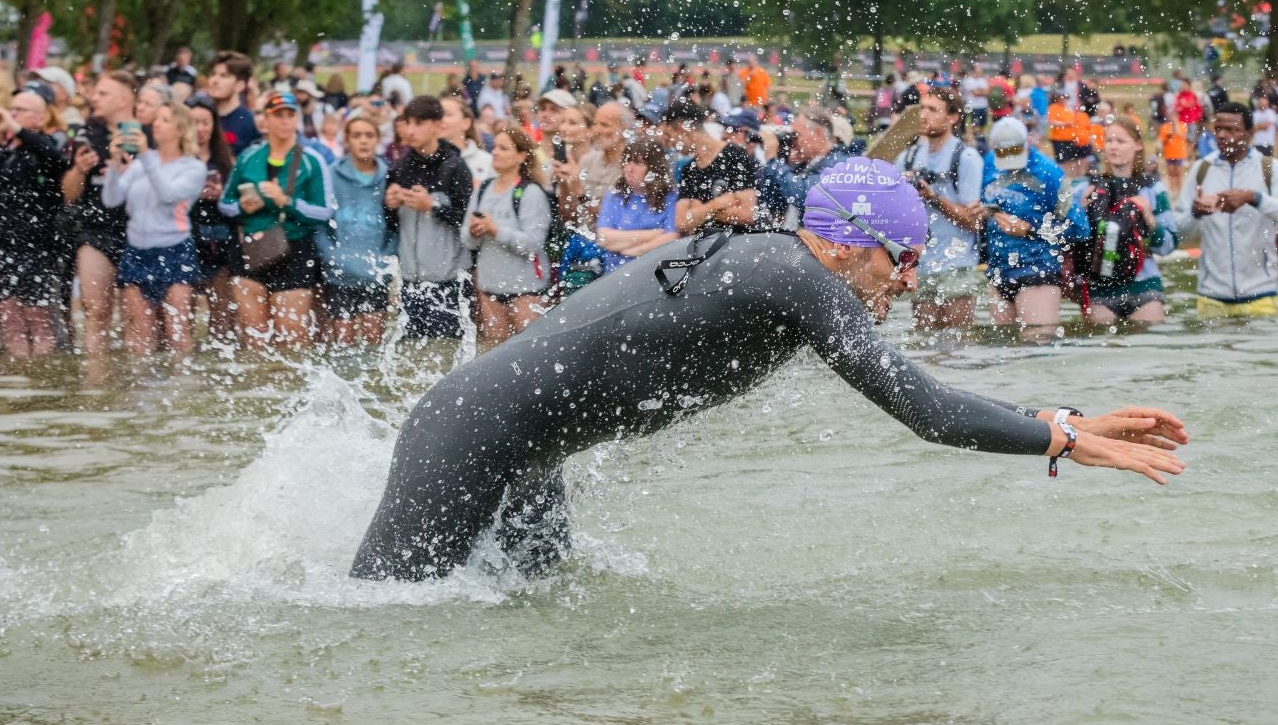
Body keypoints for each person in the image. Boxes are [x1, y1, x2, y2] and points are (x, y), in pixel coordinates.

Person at [349, 157, 1189, 581]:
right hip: (470, 434)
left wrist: (1058, 416)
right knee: (384, 625)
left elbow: (926, 387)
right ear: (849, 242)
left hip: (525, 451)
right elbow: (925, 410)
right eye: (899, 260)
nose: (904, 281)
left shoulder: (778, 266)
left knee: (530, 617)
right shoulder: (794, 276)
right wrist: (1063, 441)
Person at [1169, 104, 1278, 317]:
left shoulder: (1270, 169)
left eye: (1232, 130)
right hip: (1210, 298)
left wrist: (1255, 198)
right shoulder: (1201, 170)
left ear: (1250, 134)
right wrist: (1195, 214)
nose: (1223, 135)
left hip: (1261, 296)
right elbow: (1177, 235)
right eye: (1218, 129)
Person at [220, 91, 332, 347]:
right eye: (277, 115)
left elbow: (325, 211)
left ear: (297, 120)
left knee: (292, 338)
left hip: (294, 249)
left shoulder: (311, 161)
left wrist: (287, 202)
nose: (284, 121)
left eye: (290, 115)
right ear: (266, 120)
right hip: (251, 247)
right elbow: (225, 205)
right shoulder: (248, 158)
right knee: (253, 338)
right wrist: (242, 206)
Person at [0, 87, 70, 355]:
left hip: (36, 243)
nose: (11, 115)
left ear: (40, 118)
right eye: (11, 109)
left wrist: (16, 128)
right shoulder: (4, 150)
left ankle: (40, 383)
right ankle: (18, 383)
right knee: (8, 315)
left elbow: (55, 160)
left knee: (37, 317)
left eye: (19, 111)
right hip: (1, 240)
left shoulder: (47, 145)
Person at [105, 101, 207, 354]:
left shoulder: (193, 167)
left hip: (174, 249)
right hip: (137, 250)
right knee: (139, 332)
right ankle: (142, 389)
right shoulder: (140, 164)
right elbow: (111, 199)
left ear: (181, 129)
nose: (156, 124)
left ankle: (183, 386)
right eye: (156, 119)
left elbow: (168, 195)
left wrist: (147, 156)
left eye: (164, 119)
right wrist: (114, 165)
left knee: (177, 330)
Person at [60, 68, 141, 354]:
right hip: (96, 230)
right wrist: (79, 170)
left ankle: (140, 390)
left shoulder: (150, 134)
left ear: (123, 99)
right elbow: (69, 195)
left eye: (103, 93)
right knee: (96, 311)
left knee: (138, 319)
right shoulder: (87, 134)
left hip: (141, 233)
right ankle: (96, 387)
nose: (94, 97)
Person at [895, 87, 987, 330]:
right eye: (923, 108)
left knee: (957, 347)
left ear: (953, 117)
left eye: (933, 110)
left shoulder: (966, 157)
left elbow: (972, 221)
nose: (924, 115)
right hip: (922, 266)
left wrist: (933, 197)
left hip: (958, 265)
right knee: (923, 346)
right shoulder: (907, 157)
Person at [385, 95, 474, 340]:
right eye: (407, 123)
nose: (410, 130)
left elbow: (466, 221)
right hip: (410, 281)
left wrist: (432, 206)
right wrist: (390, 206)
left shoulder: (454, 167)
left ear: (436, 125)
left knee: (447, 351)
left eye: (418, 123)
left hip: (448, 281)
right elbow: (392, 226)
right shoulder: (399, 168)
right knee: (410, 357)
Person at [1074, 115, 1175, 326]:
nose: (1113, 147)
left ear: (1137, 145)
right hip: (1099, 290)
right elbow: (1072, 239)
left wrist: (1149, 219)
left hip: (1144, 286)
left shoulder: (1153, 189)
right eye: (1109, 141)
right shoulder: (1086, 188)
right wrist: (1080, 213)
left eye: (1120, 141)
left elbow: (1168, 245)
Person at [980, 115, 1071, 339]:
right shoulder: (988, 164)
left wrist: (1029, 230)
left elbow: (1078, 229)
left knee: (1038, 348)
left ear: (1028, 142)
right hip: (998, 273)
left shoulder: (1051, 173)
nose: (1009, 157)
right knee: (1003, 355)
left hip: (1038, 271)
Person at [465, 122, 553, 347]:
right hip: (489, 288)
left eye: (504, 148)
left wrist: (496, 230)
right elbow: (466, 240)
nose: (495, 152)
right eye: (495, 147)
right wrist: (474, 232)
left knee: (528, 355)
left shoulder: (531, 192)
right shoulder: (483, 188)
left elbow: (533, 244)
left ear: (522, 156)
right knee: (494, 356)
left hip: (525, 290)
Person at [318, 111, 395, 345]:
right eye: (357, 135)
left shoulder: (390, 176)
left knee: (375, 345)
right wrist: (331, 256)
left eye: (369, 135)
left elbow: (395, 225)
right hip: (339, 275)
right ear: (347, 141)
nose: (363, 140)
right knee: (343, 346)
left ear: (377, 140)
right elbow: (319, 224)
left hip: (376, 274)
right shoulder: (331, 174)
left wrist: (387, 258)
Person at [187, 101, 240, 344]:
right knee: (183, 312)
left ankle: (221, 359)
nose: (199, 128)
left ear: (213, 126)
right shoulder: (178, 159)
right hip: (187, 236)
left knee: (222, 312)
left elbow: (238, 201)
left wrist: (222, 193)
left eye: (205, 123)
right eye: (193, 122)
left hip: (221, 238)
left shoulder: (226, 160)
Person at [664, 99, 758, 235]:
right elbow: (680, 222)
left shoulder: (735, 155)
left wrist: (699, 211)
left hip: (737, 246)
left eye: (669, 135)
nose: (669, 144)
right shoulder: (689, 169)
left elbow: (747, 214)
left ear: (681, 129)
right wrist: (717, 204)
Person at [595, 130, 679, 272]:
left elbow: (671, 238)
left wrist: (634, 250)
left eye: (638, 163)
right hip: (615, 273)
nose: (629, 168)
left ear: (654, 168)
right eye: (628, 161)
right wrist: (652, 235)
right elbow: (604, 238)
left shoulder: (670, 196)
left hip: (653, 272)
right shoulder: (615, 194)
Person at [757, 104, 845, 230]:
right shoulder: (803, 166)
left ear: (818, 133)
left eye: (796, 135)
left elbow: (805, 196)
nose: (793, 142)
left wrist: (773, 161)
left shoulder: (839, 165)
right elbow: (774, 204)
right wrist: (782, 160)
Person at [205, 51, 259, 153]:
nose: (215, 80)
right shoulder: (199, 114)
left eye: (224, 76)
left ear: (240, 85)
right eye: (213, 74)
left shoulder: (249, 122)